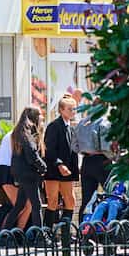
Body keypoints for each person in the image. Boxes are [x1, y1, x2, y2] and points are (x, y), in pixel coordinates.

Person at [42, 95, 80, 227]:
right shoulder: (54, 126)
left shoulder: (71, 127)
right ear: (61, 110)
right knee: (52, 201)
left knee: (70, 201)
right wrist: (59, 164)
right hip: (54, 170)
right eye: (70, 109)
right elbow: (49, 149)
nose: (73, 112)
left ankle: (65, 231)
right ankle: (46, 233)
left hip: (67, 170)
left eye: (74, 109)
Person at [11, 106, 47, 233]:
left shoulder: (19, 131)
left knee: (19, 205)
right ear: (34, 118)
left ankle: (3, 234)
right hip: (28, 175)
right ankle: (40, 236)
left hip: (22, 174)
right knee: (37, 205)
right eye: (40, 118)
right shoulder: (27, 133)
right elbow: (32, 154)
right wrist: (43, 167)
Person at [74, 105, 114, 215]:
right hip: (102, 161)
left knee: (86, 199)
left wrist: (85, 150)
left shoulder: (81, 123)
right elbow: (106, 147)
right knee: (112, 196)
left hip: (86, 161)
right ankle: (109, 227)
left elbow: (74, 147)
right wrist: (114, 157)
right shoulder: (104, 122)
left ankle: (82, 228)